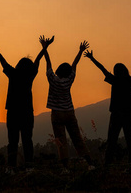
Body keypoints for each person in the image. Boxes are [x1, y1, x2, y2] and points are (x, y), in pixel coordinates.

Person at [0, 36, 45, 173]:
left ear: (18, 65)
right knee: (27, 140)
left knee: (13, 141)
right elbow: (38, 61)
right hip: (27, 111)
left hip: (12, 112)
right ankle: (29, 166)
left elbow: (1, 58)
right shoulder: (30, 75)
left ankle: (11, 167)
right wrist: (44, 47)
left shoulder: (13, 73)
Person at [40, 36, 95, 173]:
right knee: (77, 138)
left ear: (58, 71)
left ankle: (65, 167)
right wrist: (80, 51)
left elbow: (48, 63)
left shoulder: (53, 79)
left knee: (61, 141)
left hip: (57, 114)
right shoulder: (69, 80)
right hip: (70, 112)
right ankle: (90, 163)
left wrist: (45, 47)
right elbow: (74, 64)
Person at [84, 50, 131, 165]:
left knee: (112, 141)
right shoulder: (130, 81)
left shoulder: (115, 80)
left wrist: (91, 58)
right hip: (128, 115)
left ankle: (108, 164)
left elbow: (102, 69)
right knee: (130, 142)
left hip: (116, 115)